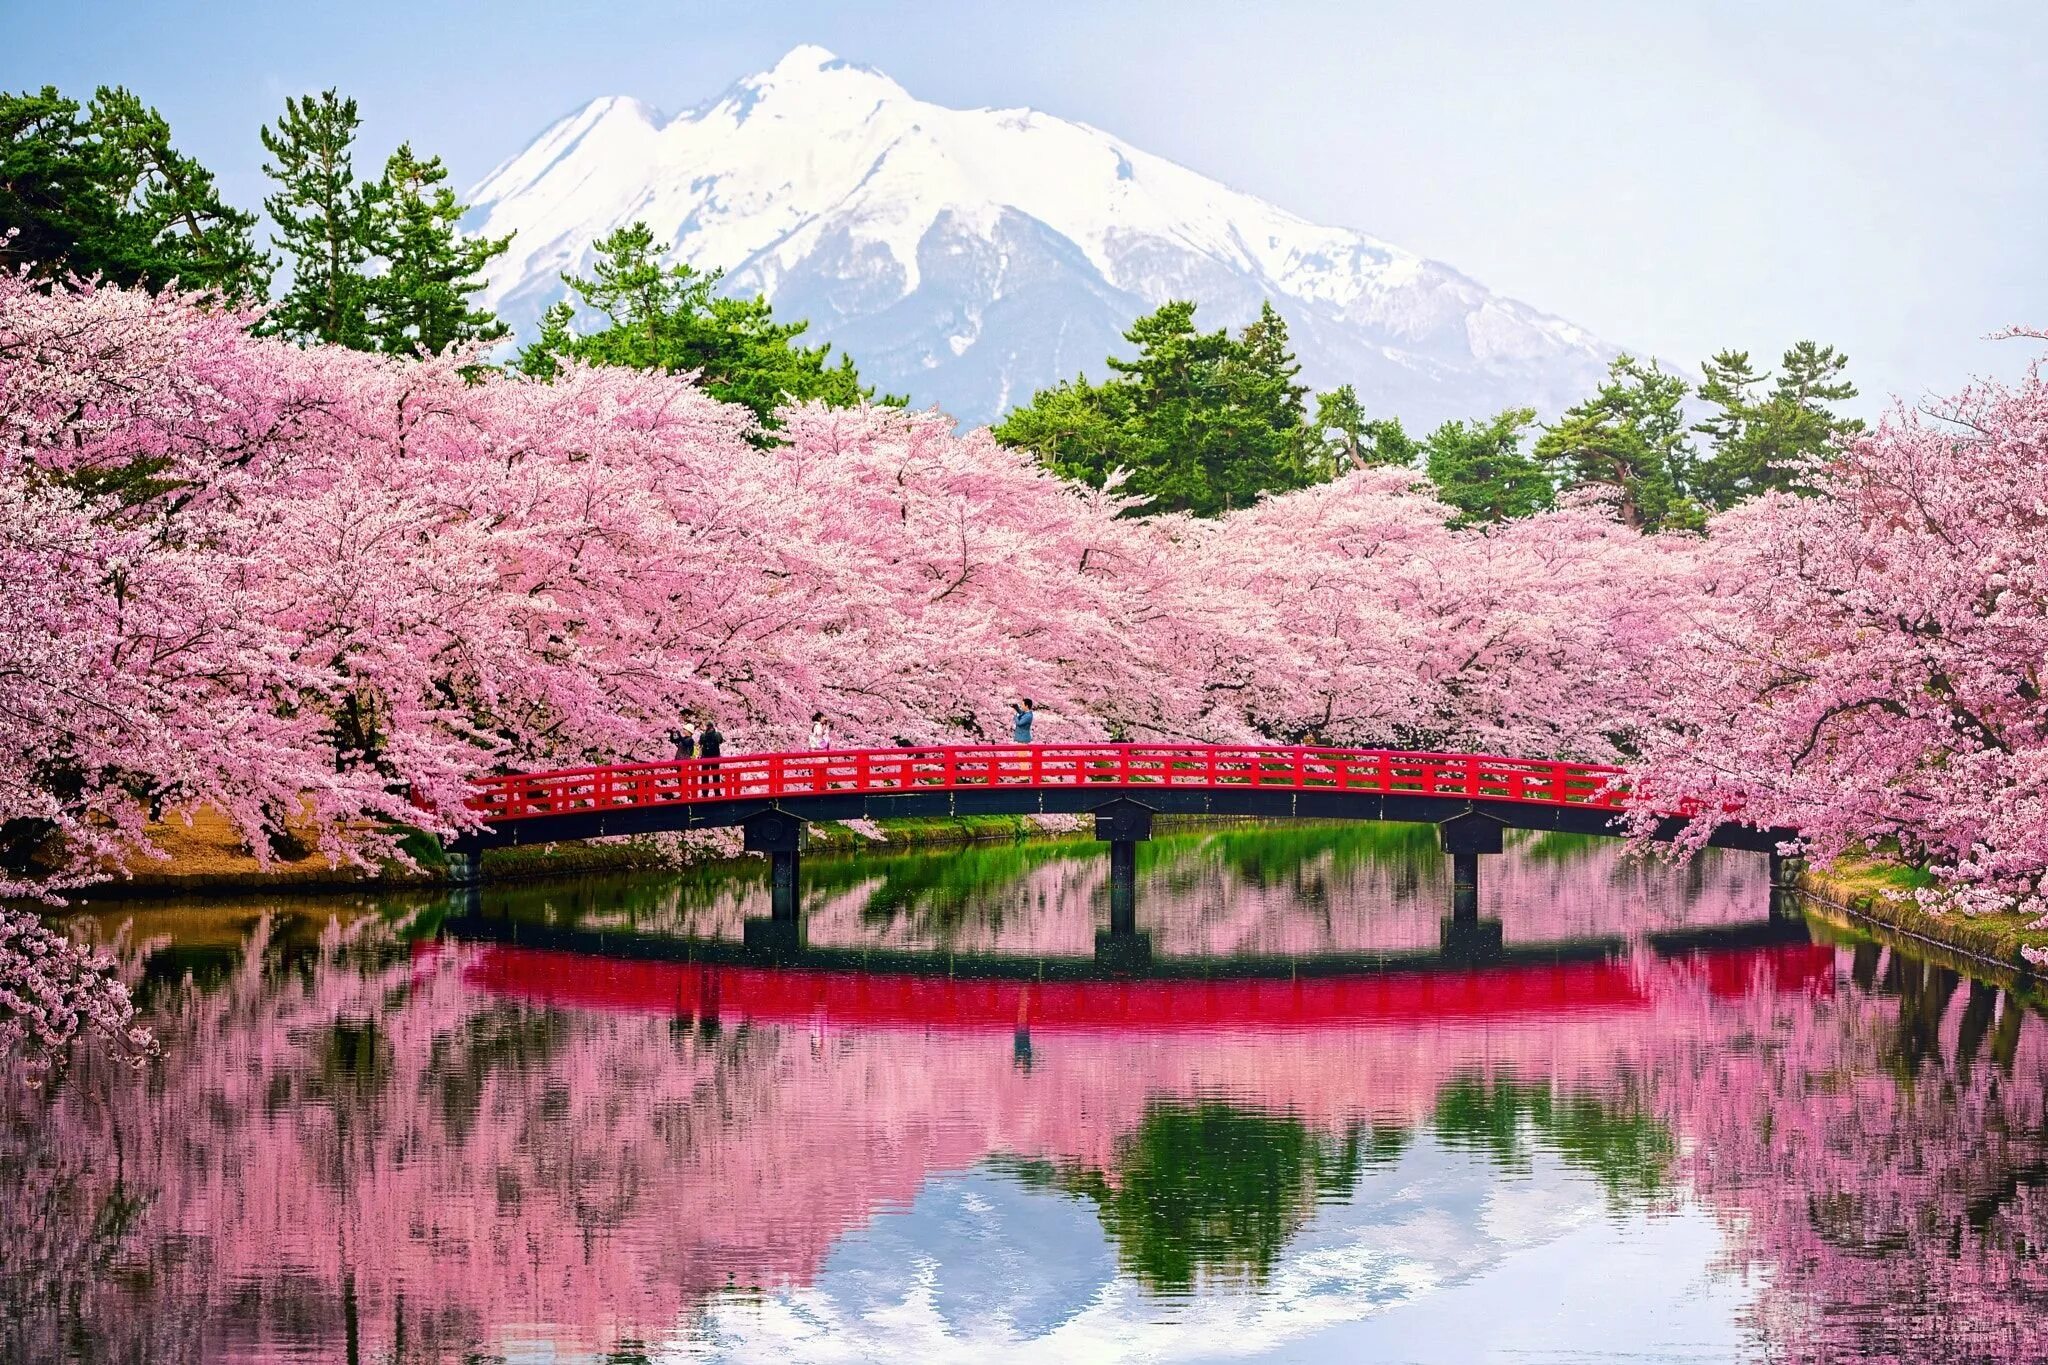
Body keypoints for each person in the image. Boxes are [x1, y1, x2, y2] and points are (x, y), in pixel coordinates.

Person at [698, 719, 724, 797]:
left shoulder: (703, 735)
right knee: (716, 775)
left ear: (707, 727)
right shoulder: (717, 734)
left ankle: (705, 793)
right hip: (715, 757)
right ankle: (717, 792)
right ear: (713, 726)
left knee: (705, 776)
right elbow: (721, 741)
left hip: (705, 757)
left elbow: (700, 743)